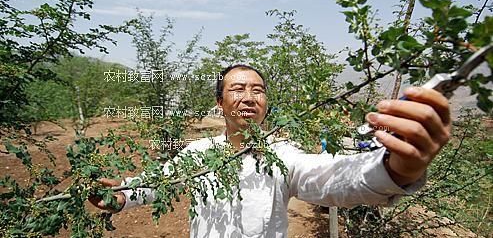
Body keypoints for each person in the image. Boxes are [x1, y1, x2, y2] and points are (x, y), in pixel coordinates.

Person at [90, 64, 451, 237]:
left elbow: (334, 178)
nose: (248, 97)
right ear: (220, 102)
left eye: (258, 90)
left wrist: (397, 168)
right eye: (237, 89)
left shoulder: (283, 157)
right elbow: (162, 182)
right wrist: (123, 195)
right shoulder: (198, 153)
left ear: (265, 103)